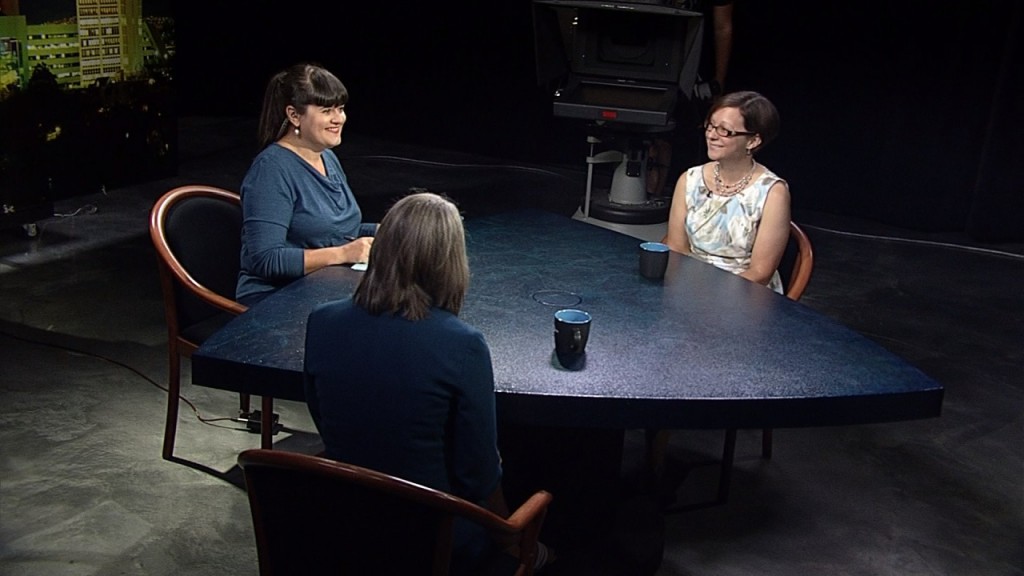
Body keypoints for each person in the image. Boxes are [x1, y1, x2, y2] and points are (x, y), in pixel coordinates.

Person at [303, 192, 551, 573]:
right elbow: (479, 473)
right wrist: (508, 535)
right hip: (433, 538)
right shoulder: (462, 345)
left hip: (343, 522)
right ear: (449, 263)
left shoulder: (321, 322)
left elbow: (322, 417)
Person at [236, 62, 376, 306]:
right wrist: (344, 253)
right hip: (275, 297)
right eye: (326, 111)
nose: (338, 119)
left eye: (340, 109)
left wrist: (389, 230)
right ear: (293, 115)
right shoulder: (271, 170)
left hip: (325, 284)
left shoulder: (326, 156)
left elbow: (332, 232)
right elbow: (265, 259)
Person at [662, 90, 790, 292]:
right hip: (688, 285)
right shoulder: (689, 179)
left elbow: (760, 273)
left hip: (744, 293)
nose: (712, 135)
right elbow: (676, 249)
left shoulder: (773, 192)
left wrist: (712, 296)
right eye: (711, 125)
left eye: (725, 131)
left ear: (753, 141)